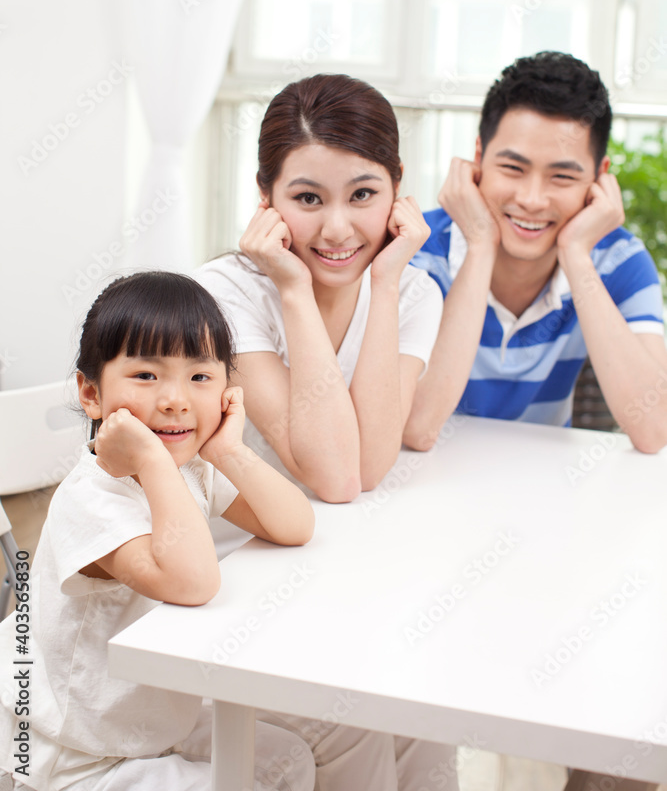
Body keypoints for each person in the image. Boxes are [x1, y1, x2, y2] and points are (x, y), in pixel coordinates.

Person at [196, 73, 460, 790]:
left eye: (363, 195)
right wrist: (289, 286)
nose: (338, 229)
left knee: (431, 730)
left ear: (397, 191)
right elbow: (334, 476)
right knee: (369, 732)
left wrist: (383, 282)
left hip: (333, 572)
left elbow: (367, 462)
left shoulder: (407, 288)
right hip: (226, 582)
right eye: (307, 198)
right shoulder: (227, 294)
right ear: (266, 199)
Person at [0, 271, 316, 791]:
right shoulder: (91, 498)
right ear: (91, 394)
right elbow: (193, 583)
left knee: (290, 759)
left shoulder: (191, 468)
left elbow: (295, 526)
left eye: (200, 378)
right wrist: (150, 458)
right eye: (147, 376)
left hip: (150, 721)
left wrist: (228, 450)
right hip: (77, 754)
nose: (175, 400)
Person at [404, 50, 667, 456]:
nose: (531, 199)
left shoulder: (619, 260)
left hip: (548, 494)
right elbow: (416, 427)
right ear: (478, 158)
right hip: (417, 485)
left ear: (599, 178)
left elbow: (654, 429)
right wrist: (479, 246)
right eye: (513, 168)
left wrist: (577, 255)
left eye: (562, 176)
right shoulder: (414, 249)